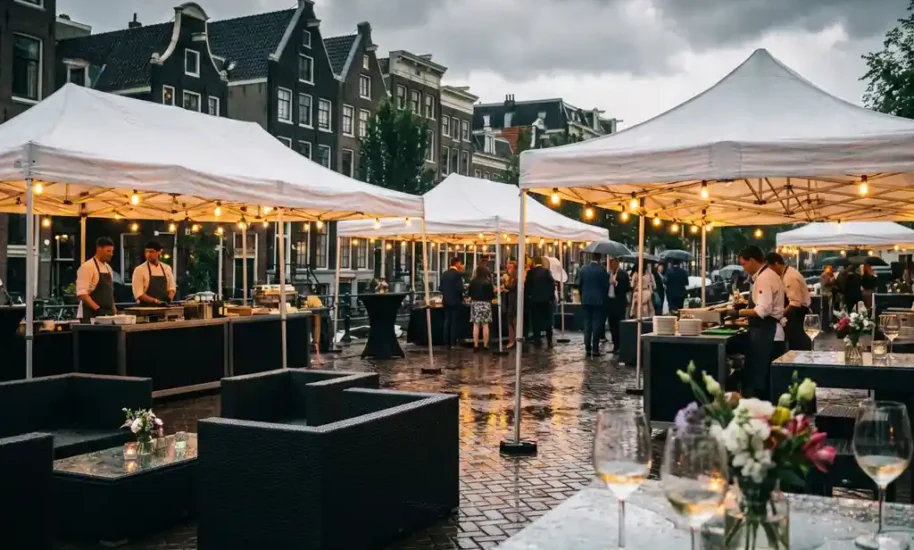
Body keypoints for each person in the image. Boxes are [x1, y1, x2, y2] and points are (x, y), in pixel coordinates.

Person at [729, 246, 786, 398]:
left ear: (753, 260)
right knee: (765, 376)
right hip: (768, 331)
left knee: (760, 377)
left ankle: (760, 410)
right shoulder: (769, 275)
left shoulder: (764, 278)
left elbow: (763, 310)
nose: (744, 268)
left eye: (744, 264)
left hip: (767, 333)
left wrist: (736, 313)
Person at [766, 252, 812, 351]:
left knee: (798, 345)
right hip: (796, 313)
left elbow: (795, 303)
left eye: (770, 268)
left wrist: (779, 315)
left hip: (798, 314)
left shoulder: (790, 277)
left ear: (776, 264)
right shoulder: (786, 273)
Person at [575, 253, 609, 356]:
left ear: (591, 258)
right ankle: (595, 349)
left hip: (586, 299)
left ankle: (587, 348)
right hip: (598, 300)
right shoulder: (602, 270)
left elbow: (579, 284)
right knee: (596, 324)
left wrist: (583, 295)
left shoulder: (583, 269)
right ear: (599, 259)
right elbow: (605, 286)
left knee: (587, 323)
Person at [76, 237, 117, 323]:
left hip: (107, 314)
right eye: (108, 251)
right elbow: (82, 294)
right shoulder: (87, 267)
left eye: (112, 251)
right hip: (91, 314)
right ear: (99, 249)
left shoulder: (108, 268)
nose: (111, 254)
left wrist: (114, 311)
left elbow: (110, 292)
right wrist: (97, 308)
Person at [131, 241, 176, 305]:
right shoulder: (139, 270)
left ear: (159, 252)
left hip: (164, 308)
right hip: (145, 309)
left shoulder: (167, 268)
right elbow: (139, 294)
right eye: (146, 252)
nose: (148, 254)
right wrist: (156, 301)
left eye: (151, 252)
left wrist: (168, 300)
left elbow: (172, 288)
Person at [525, 256, 556, 346]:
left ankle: (537, 339)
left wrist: (529, 297)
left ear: (534, 262)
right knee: (547, 320)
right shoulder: (546, 271)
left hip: (535, 301)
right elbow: (552, 285)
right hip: (546, 300)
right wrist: (551, 298)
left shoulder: (530, 273)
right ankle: (549, 339)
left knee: (536, 320)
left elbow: (527, 288)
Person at [439, 256, 465, 349]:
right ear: (457, 263)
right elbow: (460, 289)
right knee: (454, 322)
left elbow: (440, 288)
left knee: (447, 321)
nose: (461, 265)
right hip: (455, 301)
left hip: (445, 300)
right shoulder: (457, 275)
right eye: (460, 263)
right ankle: (453, 342)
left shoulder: (444, 274)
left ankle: (446, 342)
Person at [606, 258, 630, 354]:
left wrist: (616, 283)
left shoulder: (622, 274)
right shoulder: (609, 274)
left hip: (619, 303)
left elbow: (626, 287)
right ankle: (615, 345)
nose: (612, 266)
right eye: (611, 264)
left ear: (617, 264)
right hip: (610, 303)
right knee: (612, 325)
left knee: (619, 324)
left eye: (614, 264)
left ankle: (620, 346)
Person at [468, 266, 495, 351]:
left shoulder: (473, 282)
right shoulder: (488, 282)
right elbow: (492, 295)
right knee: (485, 325)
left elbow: (469, 294)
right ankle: (485, 345)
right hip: (486, 304)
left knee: (475, 325)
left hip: (475, 304)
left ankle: (475, 345)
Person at [503, 260, 519, 349]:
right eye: (507, 267)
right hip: (509, 301)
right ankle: (511, 340)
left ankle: (515, 339)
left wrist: (505, 285)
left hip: (515, 302)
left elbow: (513, 287)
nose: (508, 269)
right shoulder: (510, 278)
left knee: (514, 321)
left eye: (510, 267)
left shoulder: (517, 278)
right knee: (509, 321)